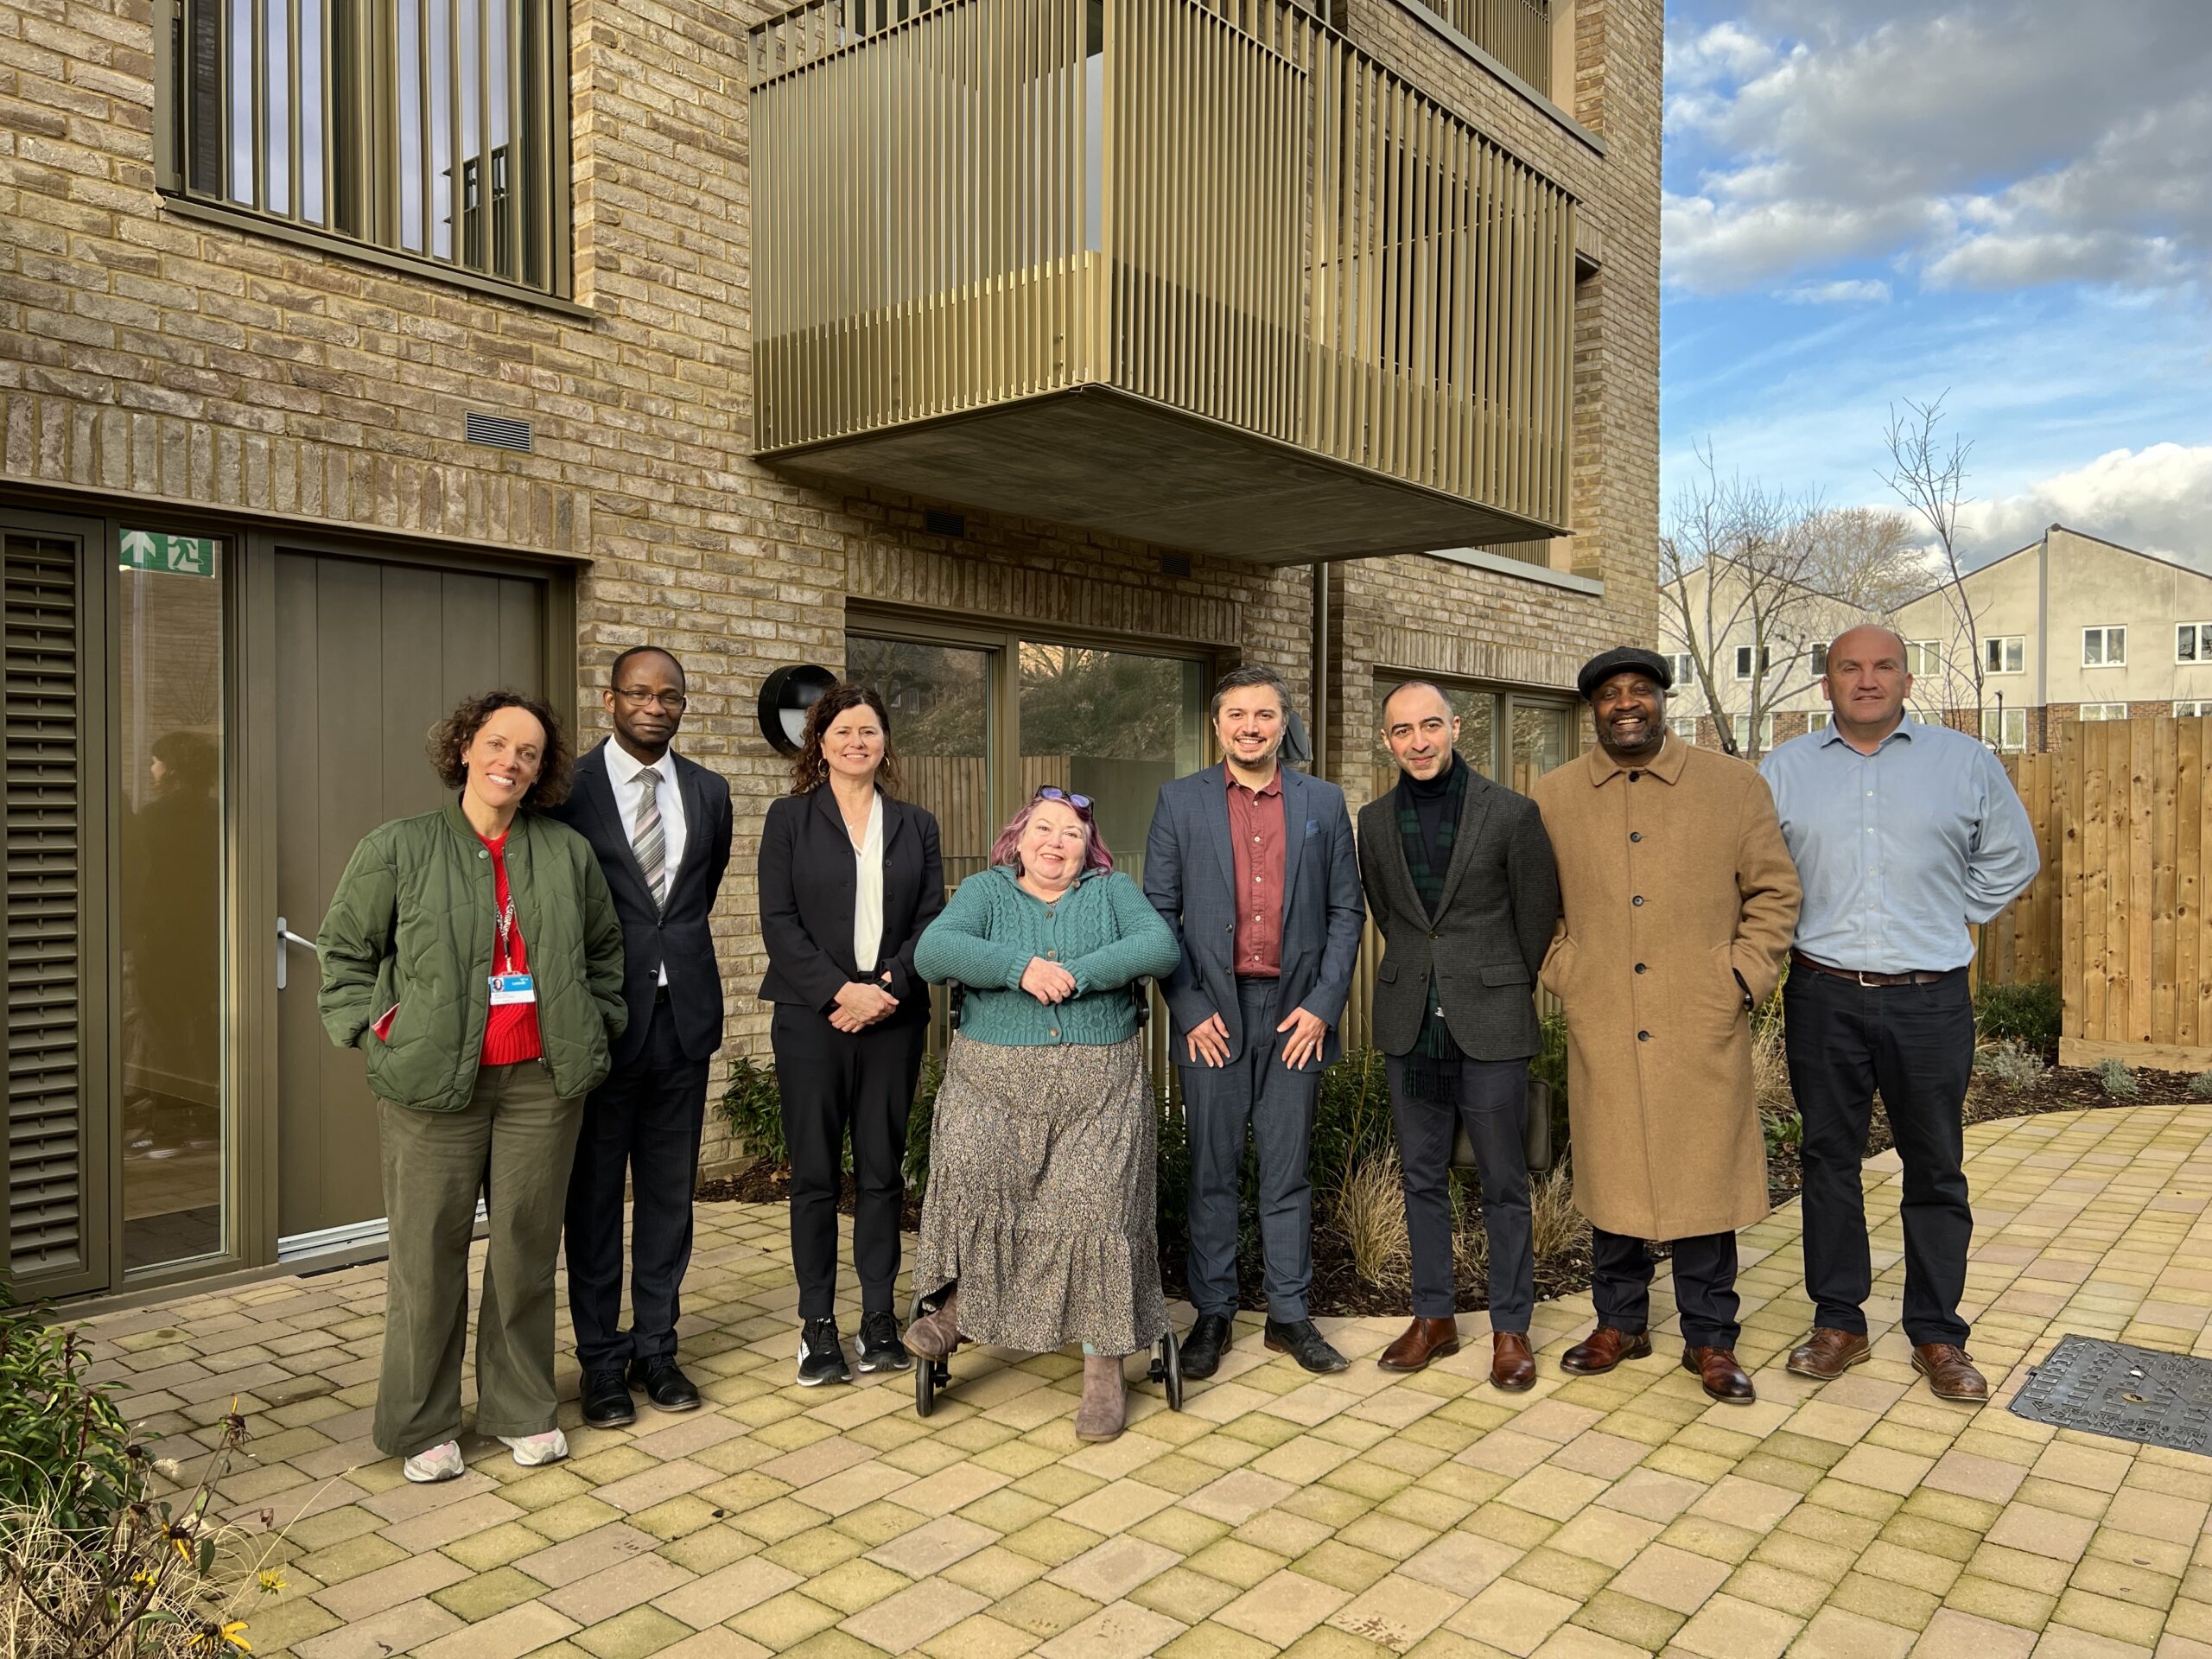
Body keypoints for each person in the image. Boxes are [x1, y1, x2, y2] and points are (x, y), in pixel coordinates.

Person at [318, 691, 626, 1482]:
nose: (509, 761)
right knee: (427, 1255)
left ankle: (522, 1409)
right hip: (431, 1086)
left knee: (525, 1250)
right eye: (496, 743)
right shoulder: (398, 847)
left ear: (540, 771)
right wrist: (375, 1027)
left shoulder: (565, 852)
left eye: (527, 752)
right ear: (463, 748)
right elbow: (345, 951)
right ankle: (422, 1423)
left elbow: (602, 951)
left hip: (542, 1083)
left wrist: (598, 1020)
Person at [1761, 626, 2039, 1405]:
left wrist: (1951, 914)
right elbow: (1753, 871)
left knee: (1935, 1165)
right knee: (1827, 1159)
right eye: (1849, 667)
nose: (1867, 679)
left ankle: (1938, 1333)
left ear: (1907, 680)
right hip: (1824, 994)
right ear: (1827, 685)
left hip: (1930, 999)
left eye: (1883, 666)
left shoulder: (1964, 763)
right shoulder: (1781, 772)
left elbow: (2015, 856)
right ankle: (1839, 1320)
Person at [1530, 648, 1799, 1403]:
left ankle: (1711, 1339)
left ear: (1660, 700)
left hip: (1699, 1015)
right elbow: (1534, 905)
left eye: (1639, 691)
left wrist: (1739, 978)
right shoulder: (1553, 797)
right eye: (1610, 694)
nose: (1625, 704)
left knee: (1702, 1178)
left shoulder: (1733, 785)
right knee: (1611, 1173)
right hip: (1605, 1013)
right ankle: (1619, 1322)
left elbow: (1775, 893)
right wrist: (1568, 973)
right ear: (1593, 710)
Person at [905, 790, 1181, 1441]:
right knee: (977, 1179)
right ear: (1018, 838)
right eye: (1044, 829)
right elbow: (932, 953)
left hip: (1098, 1087)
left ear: (1090, 850)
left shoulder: (1113, 893)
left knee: (1095, 1205)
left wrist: (1076, 974)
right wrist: (1018, 967)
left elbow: (1158, 948)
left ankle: (1103, 1370)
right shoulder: (985, 891)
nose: (1056, 842)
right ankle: (954, 1312)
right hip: (991, 1084)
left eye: (1073, 834)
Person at [1143, 666, 1365, 1378]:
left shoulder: (1324, 802)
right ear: (1217, 725)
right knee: (1212, 1170)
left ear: (1282, 723)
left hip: (1296, 1014)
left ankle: (1290, 1316)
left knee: (1287, 1170)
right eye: (1236, 715)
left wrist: (1325, 1004)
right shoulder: (1179, 802)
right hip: (1214, 1013)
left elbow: (1344, 911)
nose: (1250, 726)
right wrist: (1189, 1005)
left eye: (1264, 715)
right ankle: (1212, 1315)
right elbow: (1157, 914)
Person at [548, 646, 734, 1427]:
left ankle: (657, 1349)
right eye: (640, 693)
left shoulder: (709, 791)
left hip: (682, 1023)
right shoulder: (569, 793)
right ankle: (600, 1363)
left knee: (667, 1199)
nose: (656, 705)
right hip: (601, 1023)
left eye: (671, 695)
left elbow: (695, 895)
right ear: (610, 699)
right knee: (593, 1203)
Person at [1357, 682, 1560, 1385]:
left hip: (1491, 1022)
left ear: (1455, 727)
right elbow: (1393, 917)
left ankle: (1511, 1328)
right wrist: (1430, 974)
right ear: (1387, 741)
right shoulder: (1374, 822)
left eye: (1430, 726)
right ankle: (1434, 1316)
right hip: (1411, 1025)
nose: (1418, 741)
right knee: (1422, 1176)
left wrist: (1488, 980)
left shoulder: (1511, 813)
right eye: (1403, 730)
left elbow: (1535, 917)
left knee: (1504, 1179)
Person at [759, 683, 945, 1385]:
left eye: (869, 731)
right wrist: (841, 993)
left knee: (880, 1172)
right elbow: (778, 922)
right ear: (821, 743)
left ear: (884, 743)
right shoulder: (789, 820)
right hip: (813, 1018)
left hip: (892, 1019)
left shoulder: (917, 825)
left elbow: (933, 921)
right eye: (842, 731)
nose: (856, 742)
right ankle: (816, 1327)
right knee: (812, 1174)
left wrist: (885, 991)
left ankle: (876, 1320)